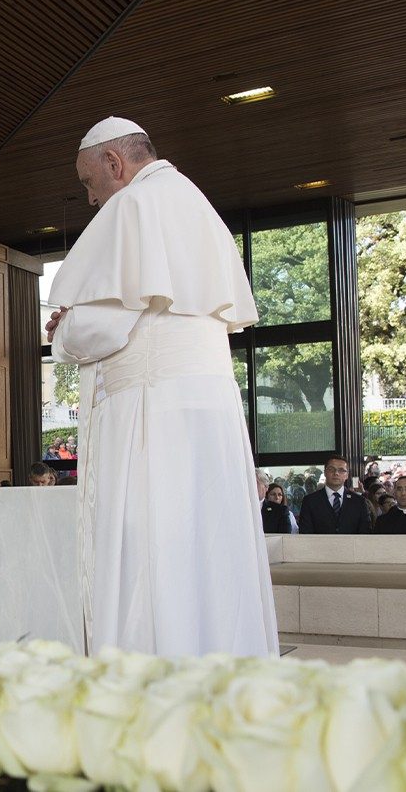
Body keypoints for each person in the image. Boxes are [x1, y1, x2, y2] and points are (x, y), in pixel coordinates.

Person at [45, 116, 277, 658]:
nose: (89, 197)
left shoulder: (133, 205)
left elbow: (101, 325)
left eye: (87, 181)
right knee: (208, 545)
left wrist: (65, 327)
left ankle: (153, 676)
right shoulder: (194, 202)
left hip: (151, 411)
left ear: (114, 164)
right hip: (209, 408)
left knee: (150, 544)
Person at [298, 457, 373, 534]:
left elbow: (365, 533)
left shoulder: (359, 502)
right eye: (331, 469)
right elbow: (305, 533)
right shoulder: (310, 501)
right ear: (325, 473)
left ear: (347, 475)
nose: (336, 473)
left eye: (341, 470)